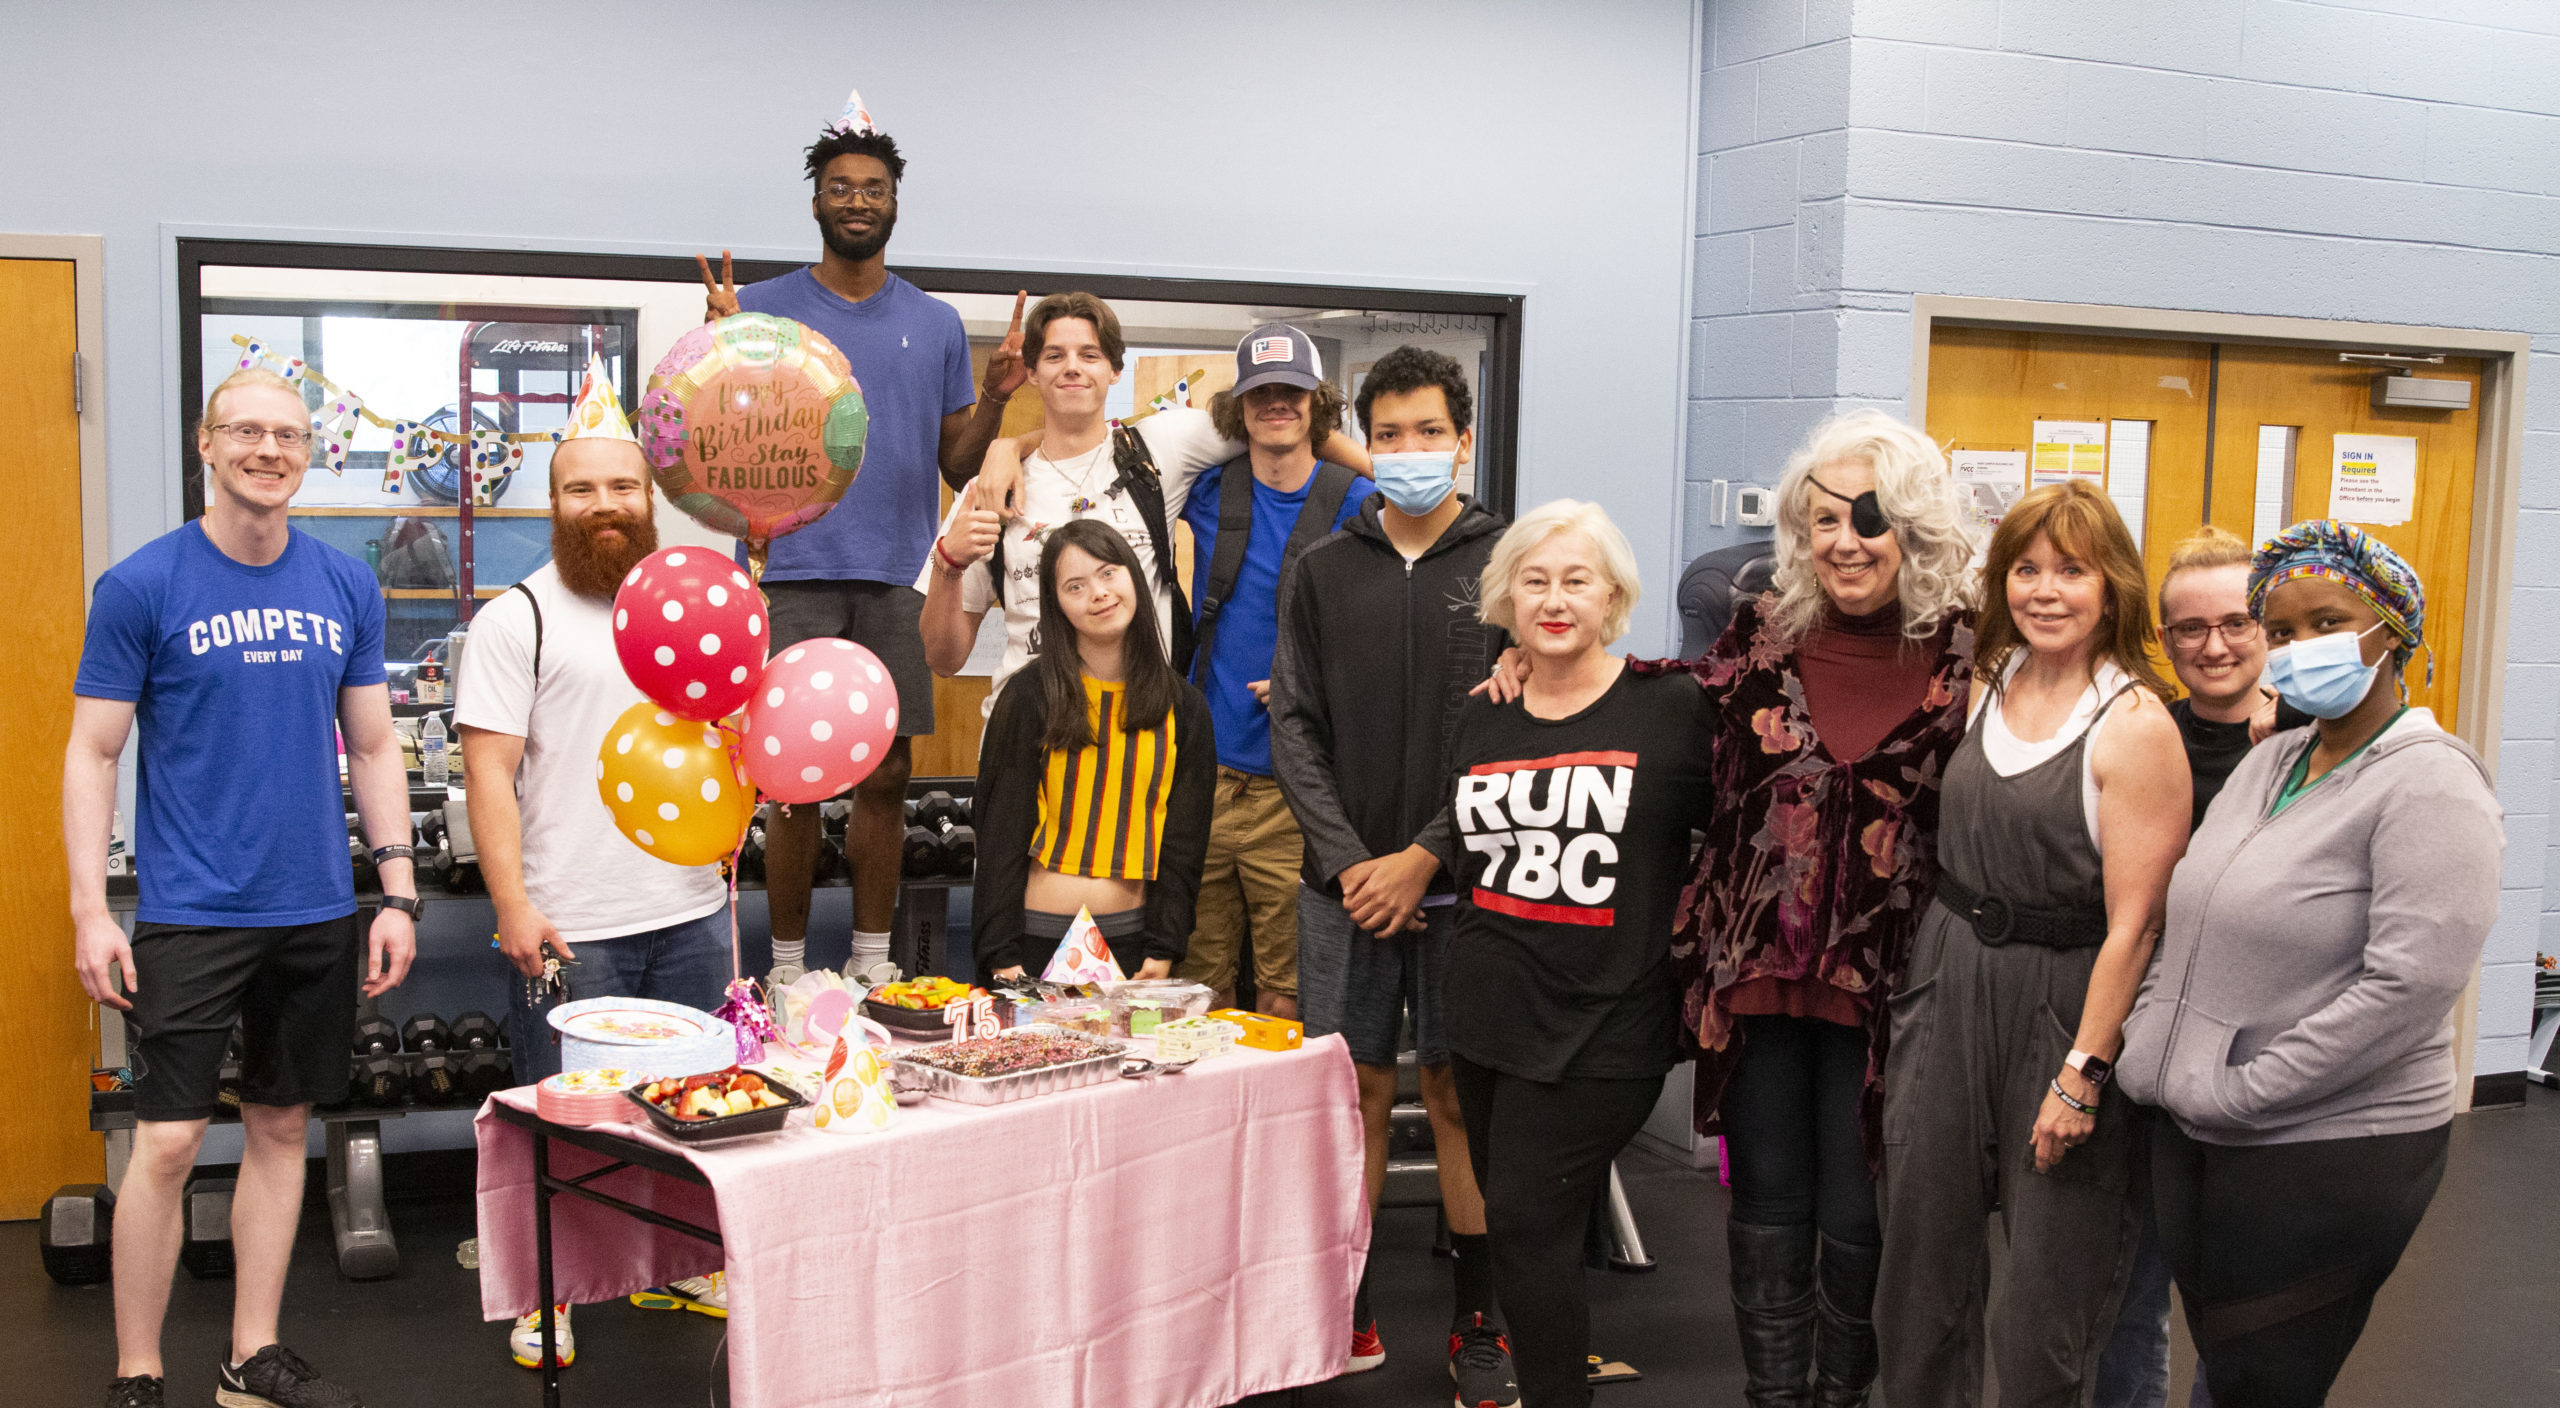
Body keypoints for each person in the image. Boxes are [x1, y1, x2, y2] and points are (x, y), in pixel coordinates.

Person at [68, 366, 414, 1408]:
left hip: (313, 907)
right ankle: (138, 1367)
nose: (270, 450)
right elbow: (92, 753)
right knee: (167, 1141)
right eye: (248, 431)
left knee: (277, 1125)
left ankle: (250, 1357)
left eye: (291, 435)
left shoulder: (345, 583)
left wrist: (395, 889)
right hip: (191, 909)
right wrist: (92, 908)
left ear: (310, 453)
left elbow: (374, 743)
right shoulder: (142, 585)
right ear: (206, 444)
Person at [2120, 522, 2502, 1408]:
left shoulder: (2432, 783)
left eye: (2326, 623)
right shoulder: (2278, 759)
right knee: (2229, 1370)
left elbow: (2408, 989)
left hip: (2329, 1149)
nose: (2299, 650)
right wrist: (2152, 1050)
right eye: (2283, 631)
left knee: (2262, 1381)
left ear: (2393, 636)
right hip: (2206, 1133)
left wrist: (2243, 1091)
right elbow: (2191, 916)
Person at [1662, 411, 1977, 1408]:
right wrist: (1527, 676)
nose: (1844, 541)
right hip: (1757, 976)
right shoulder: (1761, 631)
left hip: (1896, 991)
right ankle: (1776, 1399)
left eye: (1869, 520)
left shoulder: (1975, 655)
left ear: (1914, 527)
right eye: (1823, 519)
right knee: (1764, 1197)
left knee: (1858, 1211)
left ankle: (1839, 1399)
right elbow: (1672, 719)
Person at [1875, 480, 2192, 1408]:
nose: (2046, 591)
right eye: (2027, 569)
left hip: (2066, 1001)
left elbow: (2137, 924)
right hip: (1949, 977)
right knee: (1920, 1270)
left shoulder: (2134, 726)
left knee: (2047, 1301)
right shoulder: (1986, 679)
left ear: (2113, 589)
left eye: (2073, 571)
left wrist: (2082, 1071)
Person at [697, 95, 1020, 989]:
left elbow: (957, 461)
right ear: (815, 202)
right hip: (789, 569)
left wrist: (995, 396)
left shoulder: (938, 322)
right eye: (840, 187)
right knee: (790, 775)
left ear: (893, 203)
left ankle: (874, 962)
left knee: (887, 776)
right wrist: (723, 355)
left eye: (872, 188)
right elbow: (714, 443)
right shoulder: (757, 308)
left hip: (896, 578)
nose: (856, 201)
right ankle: (792, 968)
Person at [456, 361, 735, 1368]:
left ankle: (679, 1264)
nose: (605, 505)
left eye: (623, 486)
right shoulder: (514, 619)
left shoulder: (691, 610)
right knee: (562, 1116)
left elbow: (725, 739)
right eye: (583, 488)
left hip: (692, 907)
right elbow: (488, 775)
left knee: (696, 1104)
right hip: (572, 920)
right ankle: (546, 1290)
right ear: (555, 501)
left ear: (648, 497)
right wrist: (513, 906)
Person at [1267, 347, 1515, 1392]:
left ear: (1463, 439)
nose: (1410, 452)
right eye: (1391, 434)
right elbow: (1293, 723)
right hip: (1347, 895)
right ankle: (1350, 1304)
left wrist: (1426, 854)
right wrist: (1353, 864)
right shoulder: (1322, 568)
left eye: (1429, 432)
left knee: (1461, 1096)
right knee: (1353, 1094)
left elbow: (1522, 735)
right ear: (1366, 445)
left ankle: (1479, 1322)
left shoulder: (1509, 562)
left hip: (1469, 889)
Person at [1444, 500, 1715, 1408]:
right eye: (1535, 581)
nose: (1555, 600)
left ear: (1613, 598)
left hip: (1608, 1022)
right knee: (1526, 1229)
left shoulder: (1673, 708)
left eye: (1576, 581)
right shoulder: (1486, 712)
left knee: (1525, 1220)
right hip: (1487, 1016)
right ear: (1507, 602)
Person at [2095, 524, 2308, 1408]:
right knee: (2123, 1301)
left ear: (2267, 629)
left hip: (2258, 1068)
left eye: (2235, 623)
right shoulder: (2144, 737)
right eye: (2189, 628)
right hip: (2143, 1059)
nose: (2213, 646)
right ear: (2163, 638)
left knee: (2239, 1312)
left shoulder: (2321, 749)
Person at [917, 292, 1370, 703]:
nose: (1072, 366)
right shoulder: (990, 491)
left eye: (1089, 354)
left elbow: (1283, 422)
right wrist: (948, 563)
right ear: (1032, 372)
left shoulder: (1164, 445)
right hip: (1026, 734)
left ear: (1114, 369)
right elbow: (944, 659)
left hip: (1141, 737)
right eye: (1055, 355)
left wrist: (1388, 478)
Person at [1173, 323, 1370, 1020]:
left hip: (1296, 788)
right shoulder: (1206, 489)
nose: (1276, 404)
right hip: (1201, 779)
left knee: (1290, 992)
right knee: (1200, 989)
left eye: (1292, 391)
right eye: (1262, 393)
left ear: (1318, 401)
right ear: (1240, 408)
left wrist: (1310, 675)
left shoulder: (1355, 501)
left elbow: (1379, 628)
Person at [970, 520, 1216, 984]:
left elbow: (1185, 839)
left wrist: (1165, 948)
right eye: (1075, 586)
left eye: (1108, 574)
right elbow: (999, 828)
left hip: (1134, 945)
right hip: (1034, 943)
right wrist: (1000, 953)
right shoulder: (1029, 695)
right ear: (1057, 605)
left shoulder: (1184, 707)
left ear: (1133, 578)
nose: (1098, 594)